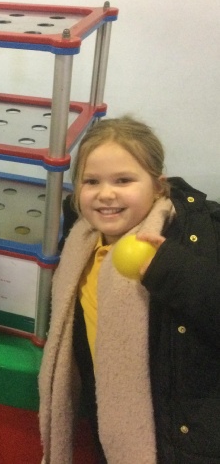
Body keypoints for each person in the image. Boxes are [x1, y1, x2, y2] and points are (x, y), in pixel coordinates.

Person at [38, 117, 220, 463]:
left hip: (181, 445)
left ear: (158, 186)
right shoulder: (80, 241)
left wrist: (173, 270)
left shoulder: (196, 235)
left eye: (123, 180)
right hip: (112, 431)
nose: (106, 193)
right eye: (91, 181)